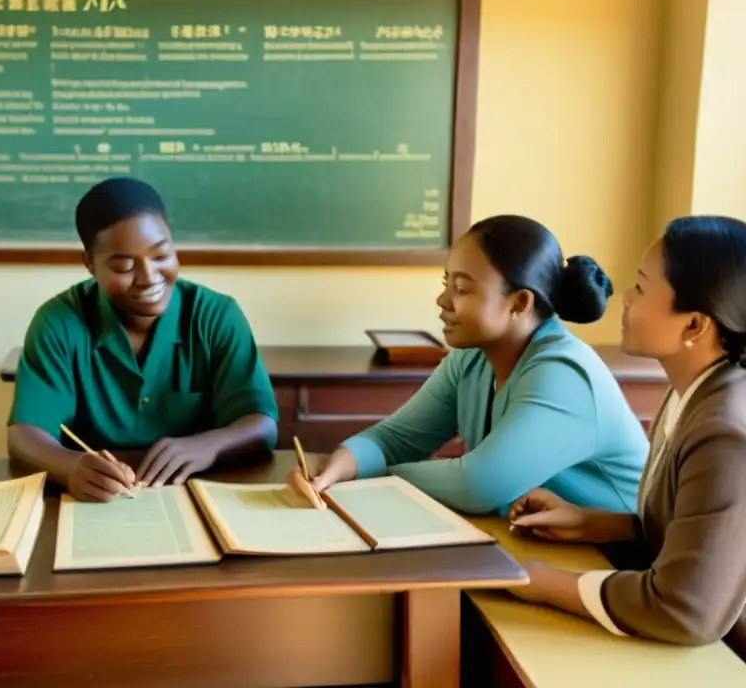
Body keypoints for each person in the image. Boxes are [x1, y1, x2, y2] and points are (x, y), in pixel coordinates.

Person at [506, 215, 746, 657]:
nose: (626, 299)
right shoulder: (695, 392)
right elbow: (693, 532)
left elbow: (684, 609)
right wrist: (588, 522)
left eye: (640, 287)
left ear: (694, 326)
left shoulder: (726, 432)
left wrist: (541, 582)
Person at [307, 214, 648, 515]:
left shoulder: (563, 374)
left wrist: (371, 475)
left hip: (612, 563)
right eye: (446, 284)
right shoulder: (471, 357)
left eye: (461, 288)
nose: (443, 301)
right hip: (534, 545)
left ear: (520, 302)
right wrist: (341, 466)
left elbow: (478, 485)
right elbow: (394, 440)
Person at [8, 177, 278, 502]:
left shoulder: (216, 316)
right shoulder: (58, 322)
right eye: (123, 265)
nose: (149, 277)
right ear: (90, 265)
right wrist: (70, 466)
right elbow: (24, 434)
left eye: (161, 256)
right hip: (99, 501)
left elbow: (262, 424)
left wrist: (209, 444)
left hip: (200, 495)